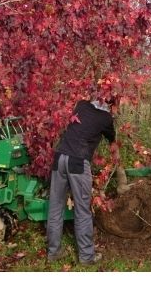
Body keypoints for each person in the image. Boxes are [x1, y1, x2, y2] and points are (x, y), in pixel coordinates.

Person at [46, 96, 117, 265]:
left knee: (55, 207)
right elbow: (112, 140)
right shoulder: (106, 118)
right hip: (77, 162)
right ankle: (86, 257)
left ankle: (53, 252)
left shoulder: (82, 105)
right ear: (111, 104)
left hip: (59, 157)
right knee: (83, 210)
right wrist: (115, 150)